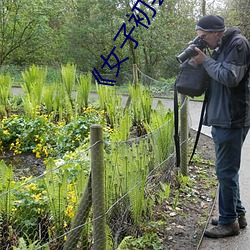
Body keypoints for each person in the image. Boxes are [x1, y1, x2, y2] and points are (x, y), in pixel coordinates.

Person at [192, 15, 250, 238]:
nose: (203, 41)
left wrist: (205, 61)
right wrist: (202, 60)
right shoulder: (221, 46)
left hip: (232, 118)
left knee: (225, 171)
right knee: (227, 171)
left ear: (216, 32)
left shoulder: (238, 44)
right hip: (222, 117)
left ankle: (228, 223)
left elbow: (229, 77)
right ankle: (237, 214)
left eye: (204, 37)